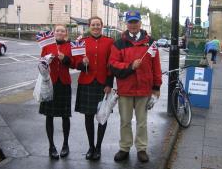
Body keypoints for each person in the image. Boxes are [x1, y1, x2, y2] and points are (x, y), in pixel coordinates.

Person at [109, 10, 162, 163]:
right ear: (127, 24)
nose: (133, 25)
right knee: (125, 121)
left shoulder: (150, 42)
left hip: (144, 88)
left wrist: (156, 87)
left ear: (140, 23)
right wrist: (131, 66)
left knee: (142, 122)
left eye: (135, 22)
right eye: (130, 22)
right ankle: (124, 147)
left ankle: (141, 148)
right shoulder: (119, 43)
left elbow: (156, 66)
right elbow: (113, 64)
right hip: (125, 89)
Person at [74, 16, 114, 161]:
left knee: (102, 117)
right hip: (87, 82)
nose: (96, 27)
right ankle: (91, 146)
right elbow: (76, 63)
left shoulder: (110, 42)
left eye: (98, 24)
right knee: (88, 116)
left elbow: (112, 64)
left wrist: (109, 83)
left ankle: (98, 147)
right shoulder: (82, 42)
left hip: (103, 84)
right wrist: (82, 63)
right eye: (93, 25)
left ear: (102, 26)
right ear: (89, 26)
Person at [39, 24, 74, 160]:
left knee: (66, 116)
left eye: (62, 31)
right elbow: (41, 63)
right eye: (57, 30)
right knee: (49, 116)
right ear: (54, 32)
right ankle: (51, 146)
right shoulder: (47, 46)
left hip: (64, 83)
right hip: (50, 84)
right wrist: (45, 61)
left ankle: (65, 144)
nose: (59, 32)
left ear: (66, 33)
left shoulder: (69, 46)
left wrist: (64, 58)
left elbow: (73, 63)